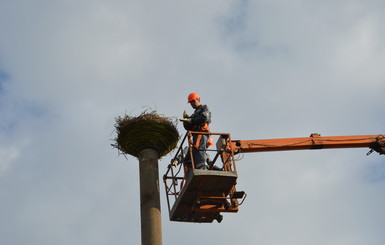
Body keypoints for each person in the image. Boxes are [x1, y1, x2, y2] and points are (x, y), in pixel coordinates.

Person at [172, 92, 212, 170]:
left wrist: (191, 120)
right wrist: (186, 121)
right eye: (191, 102)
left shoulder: (204, 108)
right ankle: (199, 168)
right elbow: (188, 128)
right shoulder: (194, 114)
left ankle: (202, 169)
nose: (192, 104)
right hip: (196, 135)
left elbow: (204, 117)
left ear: (198, 99)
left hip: (201, 133)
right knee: (195, 151)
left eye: (193, 101)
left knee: (199, 151)